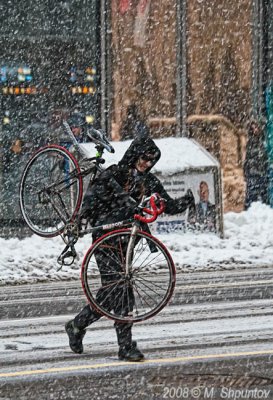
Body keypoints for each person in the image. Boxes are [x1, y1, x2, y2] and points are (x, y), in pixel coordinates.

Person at [65, 134, 195, 361]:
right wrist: (80, 223)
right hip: (105, 239)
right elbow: (90, 201)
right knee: (122, 290)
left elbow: (167, 205)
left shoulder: (150, 182)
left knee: (110, 291)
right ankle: (125, 346)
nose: (147, 164)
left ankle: (77, 325)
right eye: (144, 158)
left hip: (128, 242)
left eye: (151, 161)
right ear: (135, 154)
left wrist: (185, 201)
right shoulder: (113, 174)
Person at [244, 119, 268, 209]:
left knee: (262, 194)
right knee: (251, 195)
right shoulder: (250, 142)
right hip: (252, 174)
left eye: (256, 127)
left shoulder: (262, 142)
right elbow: (248, 158)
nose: (255, 130)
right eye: (253, 128)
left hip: (260, 173)